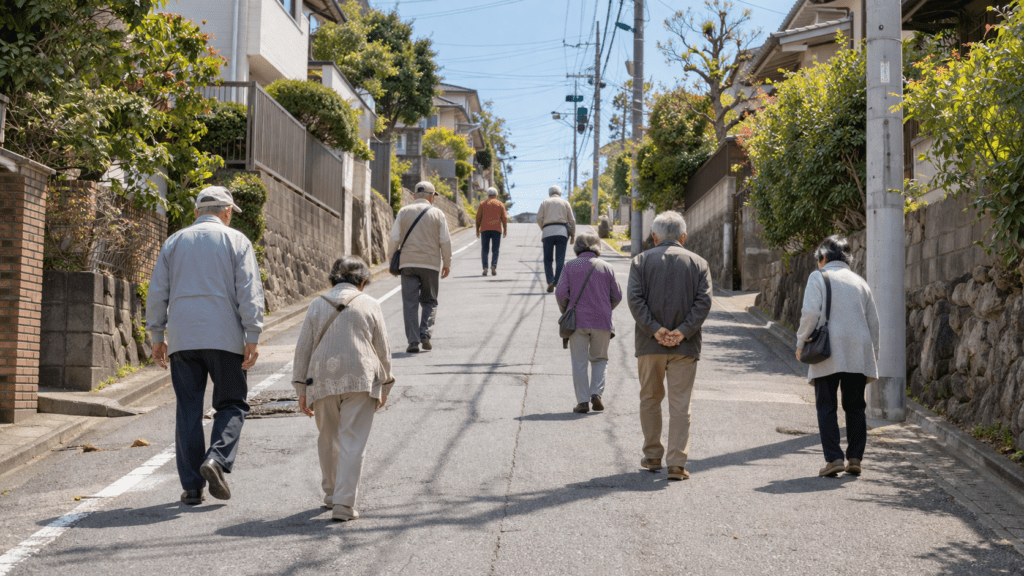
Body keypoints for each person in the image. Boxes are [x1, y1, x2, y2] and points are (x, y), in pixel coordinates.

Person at [147, 185, 264, 506]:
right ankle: (216, 459)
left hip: (183, 341)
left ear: (198, 212)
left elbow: (158, 291)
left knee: (188, 409)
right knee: (232, 404)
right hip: (225, 338)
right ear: (226, 212)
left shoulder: (174, 241)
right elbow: (249, 291)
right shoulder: (236, 240)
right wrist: (252, 334)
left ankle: (191, 487)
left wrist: (157, 335)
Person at [292, 257, 394, 522]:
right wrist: (386, 385)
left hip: (322, 379)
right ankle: (344, 504)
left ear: (332, 280)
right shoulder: (370, 304)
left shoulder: (316, 305)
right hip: (360, 380)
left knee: (328, 438)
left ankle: (330, 495)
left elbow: (303, 347)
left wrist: (301, 387)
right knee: (353, 441)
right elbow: (382, 348)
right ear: (362, 281)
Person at [627, 211, 712, 481]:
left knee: (650, 399)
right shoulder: (699, 263)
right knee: (680, 405)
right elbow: (703, 303)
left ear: (654, 236)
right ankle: (676, 463)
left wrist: (655, 329)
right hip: (684, 347)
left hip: (649, 344)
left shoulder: (640, 260)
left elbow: (635, 300)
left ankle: (652, 455)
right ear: (683, 237)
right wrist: (681, 332)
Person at [796, 235, 879, 478]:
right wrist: (873, 356)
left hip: (828, 349)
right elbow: (874, 323)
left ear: (823, 257)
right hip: (858, 352)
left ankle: (833, 459)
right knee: (855, 406)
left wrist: (801, 342)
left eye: (817, 258)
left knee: (827, 405)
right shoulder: (860, 282)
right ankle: (855, 458)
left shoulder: (819, 277)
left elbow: (810, 313)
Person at [556, 233, 622, 414]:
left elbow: (560, 293)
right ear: (598, 247)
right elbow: (617, 296)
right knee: (600, 359)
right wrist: (605, 309)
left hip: (577, 321)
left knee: (579, 361)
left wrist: (566, 310)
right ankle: (596, 394)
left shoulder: (569, 266)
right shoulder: (607, 267)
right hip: (602, 321)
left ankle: (583, 401)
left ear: (577, 247)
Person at [389, 181, 452, 353]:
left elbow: (394, 238)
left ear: (415, 196)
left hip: (408, 264)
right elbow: (445, 241)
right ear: (431, 196)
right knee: (430, 301)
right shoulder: (438, 213)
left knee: (410, 303)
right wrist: (446, 263)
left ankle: (413, 342)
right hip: (430, 264)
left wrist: (392, 262)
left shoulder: (403, 212)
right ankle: (425, 333)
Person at [536, 185, 576, 293]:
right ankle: (556, 281)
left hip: (547, 232)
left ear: (549, 194)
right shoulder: (565, 203)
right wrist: (573, 234)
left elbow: (539, 217)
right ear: (560, 194)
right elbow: (571, 220)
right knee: (560, 260)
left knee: (548, 259)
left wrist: (544, 227)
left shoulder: (545, 202)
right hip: (562, 232)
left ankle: (549, 280)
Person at [476, 186, 508, 276]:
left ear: (488, 195)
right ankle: (493, 265)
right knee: (495, 250)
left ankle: (485, 267)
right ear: (496, 195)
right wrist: (505, 229)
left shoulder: (483, 204)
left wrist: (477, 229)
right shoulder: (500, 204)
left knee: (485, 250)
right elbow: (504, 218)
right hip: (496, 230)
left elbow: (478, 218)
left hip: (485, 229)